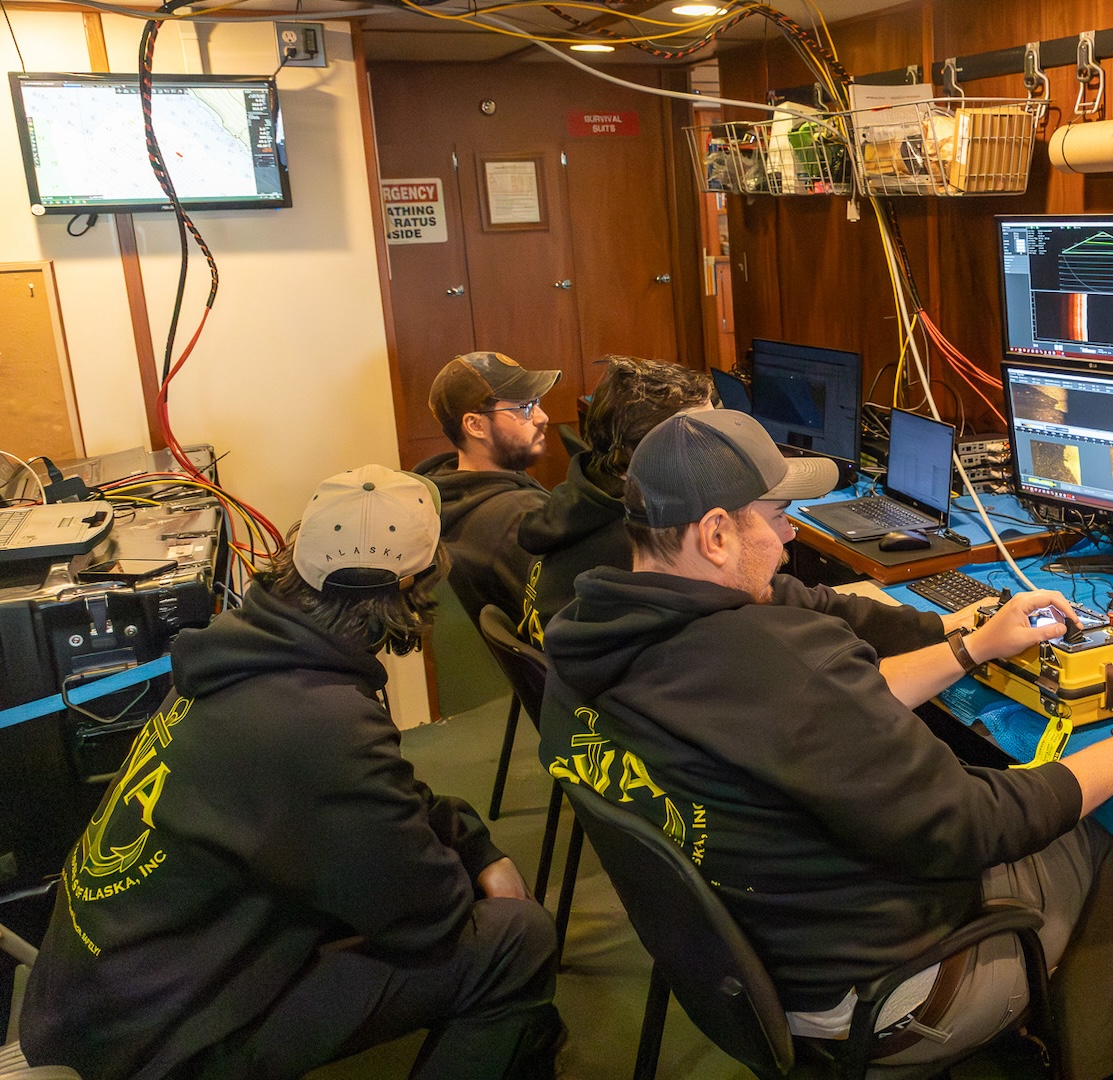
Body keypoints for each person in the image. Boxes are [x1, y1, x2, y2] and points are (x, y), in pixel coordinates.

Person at [539, 410, 1113, 1067]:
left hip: (742, 970)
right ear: (715, 534)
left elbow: (824, 679)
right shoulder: (778, 667)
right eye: (778, 519)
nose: (789, 538)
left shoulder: (589, 639)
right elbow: (971, 822)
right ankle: (1098, 1060)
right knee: (1101, 821)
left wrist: (973, 642)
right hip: (880, 1002)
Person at [22, 466, 561, 1080]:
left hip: (91, 1004)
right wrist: (469, 861)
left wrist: (470, 840)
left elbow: (364, 797)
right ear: (412, 588)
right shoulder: (320, 722)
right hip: (156, 1050)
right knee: (517, 939)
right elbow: (427, 918)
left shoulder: (242, 654)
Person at [516, 357, 715, 644]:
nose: (720, 447)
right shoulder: (642, 539)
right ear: (645, 450)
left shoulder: (584, 495)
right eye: (703, 437)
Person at [415, 351, 560, 625]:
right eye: (524, 407)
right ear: (475, 425)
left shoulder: (439, 491)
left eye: (536, 402)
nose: (543, 417)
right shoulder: (521, 519)